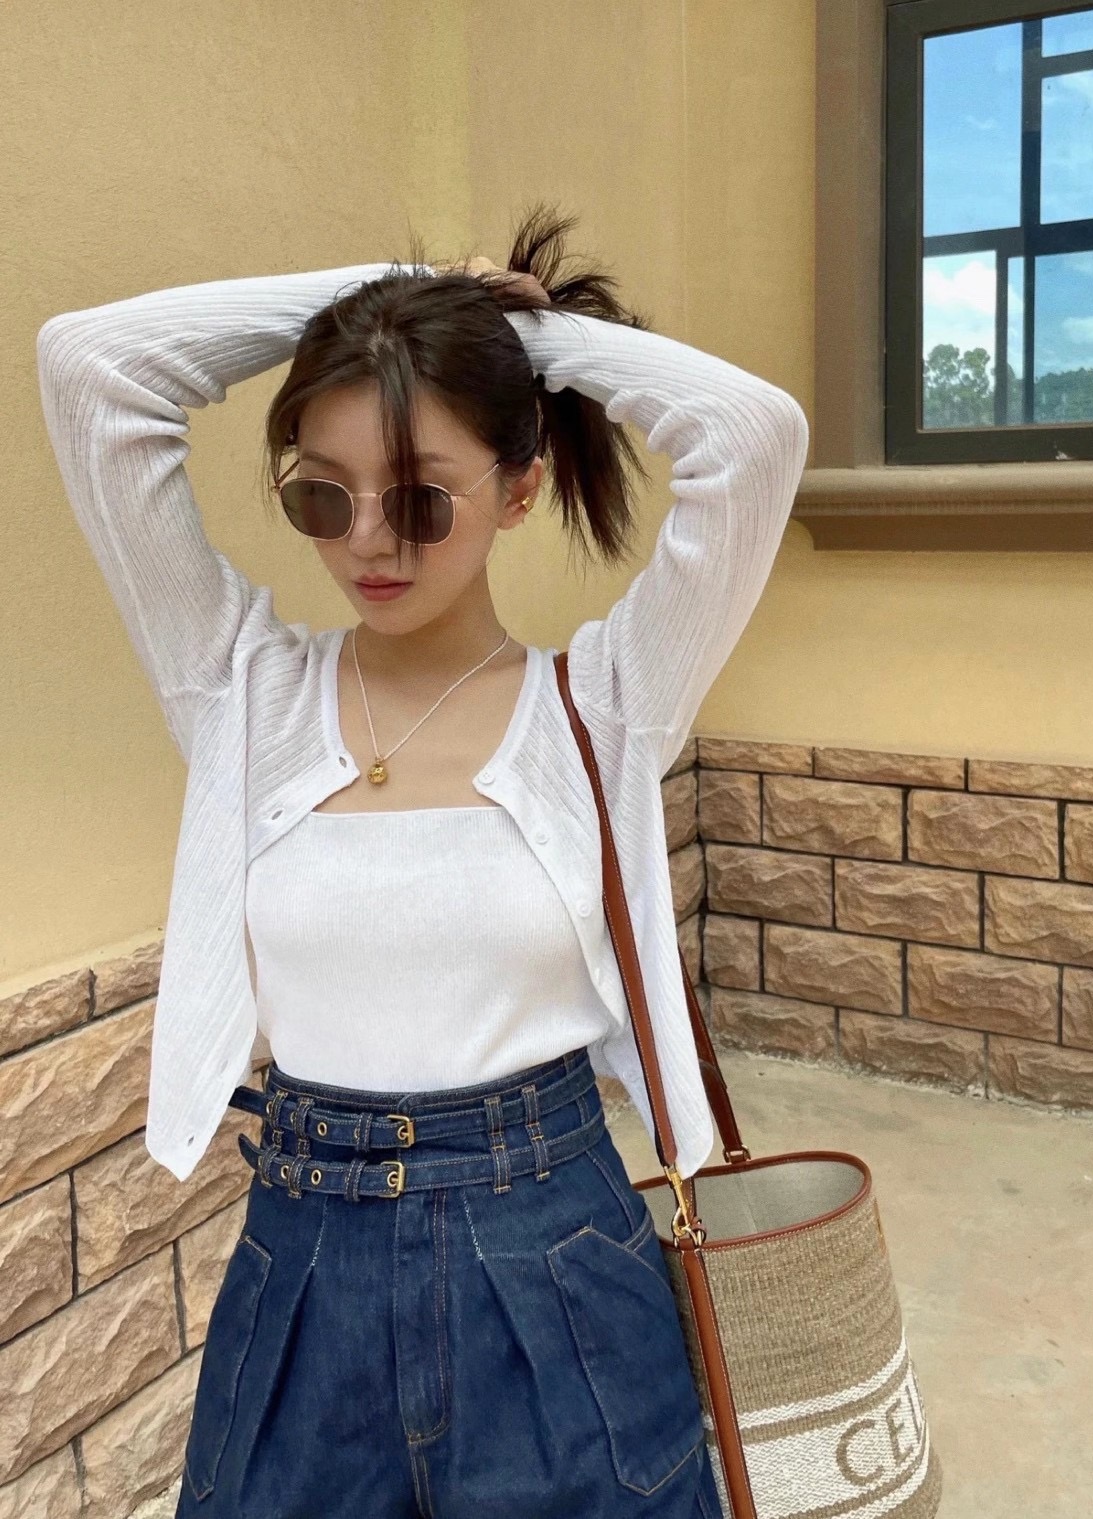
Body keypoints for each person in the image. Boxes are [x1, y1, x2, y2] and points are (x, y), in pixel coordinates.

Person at [36, 203, 809, 1518]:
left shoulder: (604, 703)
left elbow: (751, 435)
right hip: (302, 1264)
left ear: (520, 487)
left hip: (554, 1250)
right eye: (322, 494)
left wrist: (509, 338)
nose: (367, 542)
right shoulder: (240, 692)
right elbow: (92, 368)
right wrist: (389, 295)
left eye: (420, 497)